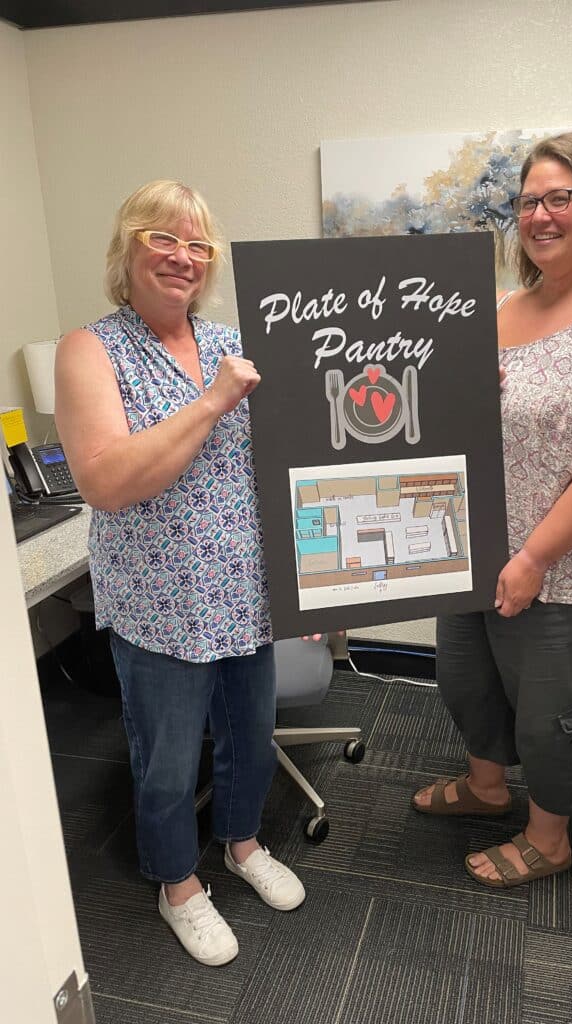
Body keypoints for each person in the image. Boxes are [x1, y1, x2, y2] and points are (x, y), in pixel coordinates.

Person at [55, 180, 306, 966]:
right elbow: (105, 481)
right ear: (126, 250)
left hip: (244, 593)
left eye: (198, 244)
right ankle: (177, 886)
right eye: (162, 238)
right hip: (160, 605)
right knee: (165, 760)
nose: (182, 257)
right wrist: (212, 401)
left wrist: (320, 581)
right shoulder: (91, 350)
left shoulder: (234, 341)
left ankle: (240, 843)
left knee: (249, 740)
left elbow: (292, 460)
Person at [412, 132, 572, 889]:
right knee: (467, 682)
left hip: (562, 567)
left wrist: (531, 560)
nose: (542, 214)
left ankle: (549, 836)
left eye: (562, 197)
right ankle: (487, 786)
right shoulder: (496, 310)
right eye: (529, 200)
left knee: (549, 713)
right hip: (470, 547)